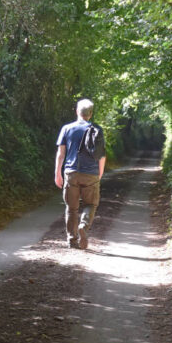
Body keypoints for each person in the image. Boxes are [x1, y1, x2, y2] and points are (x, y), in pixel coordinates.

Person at [55, 99, 106, 249]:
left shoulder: (67, 129)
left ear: (77, 111)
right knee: (91, 204)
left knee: (71, 208)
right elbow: (102, 155)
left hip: (71, 173)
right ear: (90, 114)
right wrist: (100, 173)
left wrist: (57, 173)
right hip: (91, 174)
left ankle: (72, 240)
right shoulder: (97, 130)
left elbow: (60, 153)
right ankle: (83, 225)